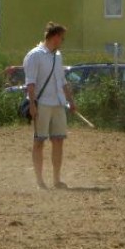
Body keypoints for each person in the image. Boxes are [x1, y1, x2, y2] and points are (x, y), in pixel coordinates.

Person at [23, 21, 75, 189]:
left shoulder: (57, 56)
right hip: (42, 104)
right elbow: (30, 82)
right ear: (54, 37)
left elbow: (62, 80)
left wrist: (71, 101)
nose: (62, 41)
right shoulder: (34, 55)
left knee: (58, 141)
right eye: (62, 38)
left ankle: (56, 180)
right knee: (39, 142)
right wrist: (32, 104)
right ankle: (39, 181)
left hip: (58, 104)